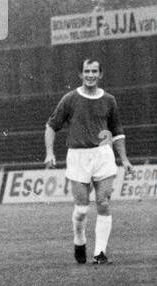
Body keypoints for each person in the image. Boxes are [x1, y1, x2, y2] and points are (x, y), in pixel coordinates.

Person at [44, 57, 134, 264]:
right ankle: (79, 239)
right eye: (87, 71)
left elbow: (117, 131)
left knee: (103, 202)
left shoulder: (109, 100)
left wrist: (124, 159)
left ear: (100, 74)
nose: (91, 75)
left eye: (94, 71)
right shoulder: (70, 98)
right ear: (81, 74)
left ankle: (99, 253)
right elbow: (51, 126)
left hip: (103, 155)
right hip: (78, 156)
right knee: (82, 209)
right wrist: (50, 152)